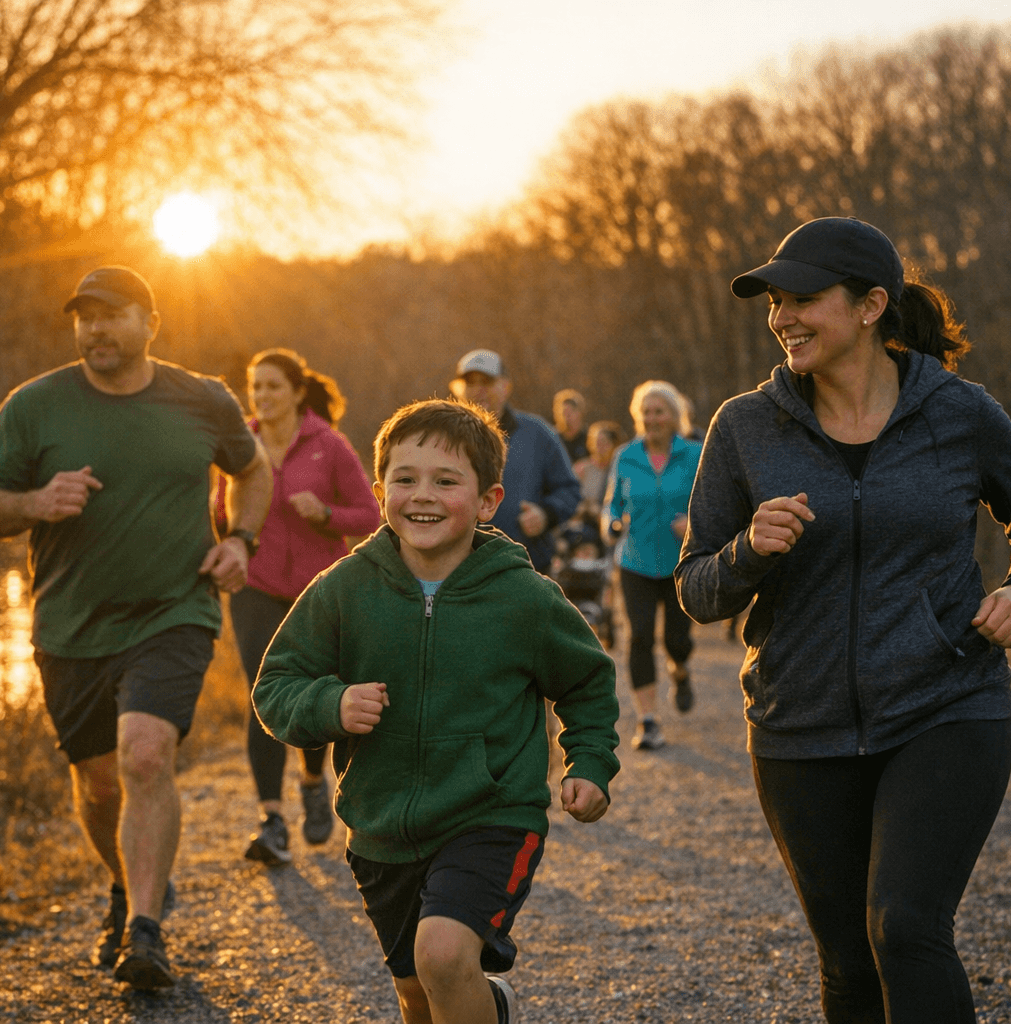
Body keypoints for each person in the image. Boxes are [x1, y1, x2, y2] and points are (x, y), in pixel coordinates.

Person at [674, 217, 1011, 1024]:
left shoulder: (959, 413)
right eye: (775, 302)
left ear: (870, 306)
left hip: (945, 704)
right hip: (800, 725)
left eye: (803, 299)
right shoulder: (744, 427)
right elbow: (697, 588)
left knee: (905, 925)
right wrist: (750, 550)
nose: (782, 316)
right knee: (849, 964)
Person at [253, 399, 621, 1024]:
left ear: (487, 501)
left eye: (446, 482)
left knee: (445, 957)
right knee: (417, 995)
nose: (422, 495)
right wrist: (330, 703)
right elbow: (276, 685)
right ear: (378, 491)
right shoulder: (344, 589)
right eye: (405, 479)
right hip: (380, 825)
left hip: (492, 811)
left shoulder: (522, 596)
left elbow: (586, 679)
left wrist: (589, 760)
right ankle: (489, 1011)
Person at [0, 265, 272, 991]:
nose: (96, 329)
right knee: (99, 786)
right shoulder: (35, 406)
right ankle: (124, 884)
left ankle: (146, 930)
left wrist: (241, 540)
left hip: (176, 610)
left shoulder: (202, 401)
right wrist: (36, 502)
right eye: (84, 317)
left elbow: (253, 473)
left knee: (144, 756)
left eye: (113, 314)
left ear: (150, 324)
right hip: (70, 625)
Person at [227, 348, 382, 866]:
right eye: (256, 386)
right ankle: (271, 819)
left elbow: (370, 514)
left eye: (273, 386)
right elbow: (217, 511)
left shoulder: (329, 445)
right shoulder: (237, 446)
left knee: (313, 693)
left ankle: (313, 780)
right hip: (255, 584)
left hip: (318, 591)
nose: (262, 396)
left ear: (296, 392)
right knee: (263, 691)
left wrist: (326, 514)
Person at [602, 383, 701, 750]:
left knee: (677, 639)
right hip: (636, 561)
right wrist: (611, 524)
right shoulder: (626, 456)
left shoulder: (695, 454)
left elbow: (714, 504)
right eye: (646, 412)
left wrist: (693, 525)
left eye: (660, 411)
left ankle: (680, 667)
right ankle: (648, 720)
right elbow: (612, 504)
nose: (653, 418)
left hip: (682, 562)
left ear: (675, 416)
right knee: (639, 636)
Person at [449, 349, 580, 571]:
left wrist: (545, 514)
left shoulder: (537, 433)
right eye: (471, 383)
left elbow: (569, 490)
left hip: (526, 567)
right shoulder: (443, 437)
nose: (479, 391)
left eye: (487, 382)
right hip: (459, 568)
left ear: (505, 386)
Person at [553, 388, 590, 464]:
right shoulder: (552, 438)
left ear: (580, 412)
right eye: (564, 412)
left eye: (571, 411)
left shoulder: (590, 437)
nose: (567, 416)